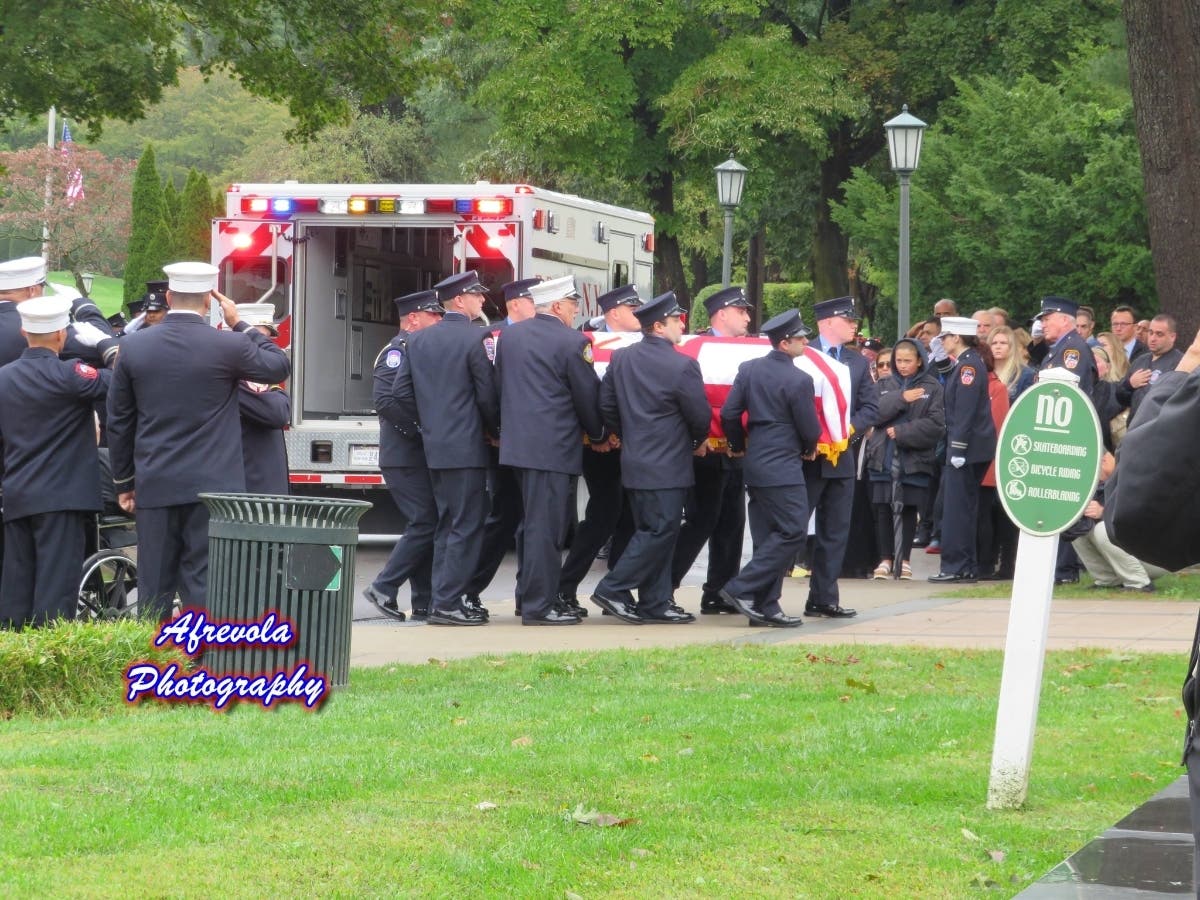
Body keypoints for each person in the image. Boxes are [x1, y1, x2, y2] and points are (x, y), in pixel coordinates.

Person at [106, 261, 291, 620]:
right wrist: (239, 322)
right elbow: (277, 366)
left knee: (154, 584)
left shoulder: (133, 346)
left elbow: (120, 420)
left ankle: (154, 660)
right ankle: (202, 662)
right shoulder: (228, 345)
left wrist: (124, 482)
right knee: (205, 581)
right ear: (210, 301)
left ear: (170, 296)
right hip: (215, 485)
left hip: (156, 480)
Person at [591, 291, 709, 624]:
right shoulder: (682, 364)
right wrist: (697, 440)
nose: (681, 325)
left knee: (657, 530)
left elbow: (607, 407)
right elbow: (698, 415)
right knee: (660, 530)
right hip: (668, 462)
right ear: (658, 325)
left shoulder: (621, 359)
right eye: (675, 320)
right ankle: (613, 588)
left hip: (635, 458)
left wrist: (629, 434)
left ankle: (655, 601)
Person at [494, 275, 606, 625]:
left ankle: (527, 597)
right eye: (573, 305)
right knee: (547, 529)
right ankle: (539, 607)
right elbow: (586, 396)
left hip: (517, 445)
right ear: (557, 306)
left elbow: (499, 384)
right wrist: (599, 433)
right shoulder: (573, 342)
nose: (575, 311)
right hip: (553, 448)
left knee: (531, 526)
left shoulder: (509, 335)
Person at [393, 271, 499, 627]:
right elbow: (486, 394)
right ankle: (449, 603)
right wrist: (494, 428)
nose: (482, 300)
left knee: (446, 524)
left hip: (435, 446)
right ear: (458, 300)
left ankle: (441, 598)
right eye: (476, 295)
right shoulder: (476, 337)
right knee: (467, 525)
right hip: (466, 446)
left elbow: (399, 393)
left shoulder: (417, 339)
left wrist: (427, 425)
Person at [0, 295, 113, 628]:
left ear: (24, 332)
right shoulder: (71, 376)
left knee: (16, 588)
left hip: (18, 494)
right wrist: (108, 345)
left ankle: (14, 660)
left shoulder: (3, 378)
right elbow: (121, 377)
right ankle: (49, 667)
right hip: (62, 498)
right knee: (55, 591)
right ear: (62, 335)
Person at [718, 309, 820, 627]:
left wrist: (738, 445)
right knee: (792, 531)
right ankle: (741, 588)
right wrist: (808, 449)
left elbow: (730, 414)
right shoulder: (799, 379)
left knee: (767, 538)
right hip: (783, 466)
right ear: (784, 343)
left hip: (756, 462)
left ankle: (764, 606)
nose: (805, 341)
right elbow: (810, 429)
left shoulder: (749, 370)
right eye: (800, 338)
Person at [556, 283, 643, 609]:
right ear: (614, 312)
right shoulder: (587, 343)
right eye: (632, 309)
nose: (638, 314)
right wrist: (603, 434)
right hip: (599, 446)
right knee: (603, 515)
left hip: (629, 443)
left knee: (631, 516)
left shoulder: (641, 342)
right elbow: (588, 393)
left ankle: (616, 586)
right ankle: (565, 586)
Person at [364, 290, 445, 622]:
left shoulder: (419, 349)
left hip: (416, 455)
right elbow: (385, 399)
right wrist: (420, 429)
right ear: (414, 318)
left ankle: (423, 601)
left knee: (427, 521)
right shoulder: (397, 351)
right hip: (403, 455)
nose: (439, 321)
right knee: (426, 521)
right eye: (433, 315)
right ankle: (384, 586)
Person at [671, 285, 752, 615]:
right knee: (702, 520)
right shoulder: (695, 349)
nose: (748, 316)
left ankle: (719, 591)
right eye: (741, 311)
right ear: (722, 314)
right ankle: (664, 584)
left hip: (736, 449)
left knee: (733, 522)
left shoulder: (750, 349)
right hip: (706, 451)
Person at [464, 278, 542, 614]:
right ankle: (469, 588)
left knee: (534, 520)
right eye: (532, 300)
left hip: (537, 441)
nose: (538, 307)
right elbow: (484, 389)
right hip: (502, 442)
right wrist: (495, 430)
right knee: (504, 517)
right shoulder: (492, 337)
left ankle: (528, 595)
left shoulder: (542, 335)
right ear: (515, 303)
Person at [802, 296, 878, 617]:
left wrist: (847, 431)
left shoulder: (856, 362)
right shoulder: (804, 356)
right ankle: (765, 595)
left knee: (835, 531)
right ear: (827, 322)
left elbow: (870, 407)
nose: (853, 325)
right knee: (791, 528)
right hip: (806, 457)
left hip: (841, 457)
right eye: (847, 320)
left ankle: (824, 597)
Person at [864, 337, 944, 581]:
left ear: (920, 360)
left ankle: (905, 559)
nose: (902, 365)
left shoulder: (932, 387)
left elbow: (936, 425)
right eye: (898, 361)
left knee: (908, 508)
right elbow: (873, 414)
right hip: (883, 456)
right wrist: (901, 398)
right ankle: (885, 559)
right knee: (882, 508)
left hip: (914, 459)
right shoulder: (883, 384)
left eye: (908, 360)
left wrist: (903, 432)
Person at [928, 316, 996, 583]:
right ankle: (965, 565)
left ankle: (955, 566)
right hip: (972, 448)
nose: (942, 341)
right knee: (964, 508)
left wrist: (957, 448)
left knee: (957, 509)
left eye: (945, 337)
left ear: (957, 338)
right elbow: (952, 386)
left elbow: (965, 412)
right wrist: (942, 362)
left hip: (967, 449)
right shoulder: (966, 364)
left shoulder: (969, 367)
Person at [235, 304, 290, 494]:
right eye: (259, 339)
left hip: (267, 493)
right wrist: (279, 394)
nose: (266, 346)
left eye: (266, 339)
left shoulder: (262, 382)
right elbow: (277, 413)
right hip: (244, 495)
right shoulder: (230, 379)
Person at [1117, 313, 1182, 425]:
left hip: (1159, 432)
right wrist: (1130, 385)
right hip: (1133, 428)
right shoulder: (1140, 361)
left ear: (1172, 337)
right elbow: (1120, 397)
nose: (1153, 338)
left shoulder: (1179, 363)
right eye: (1150, 333)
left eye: (1159, 334)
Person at [1037, 296, 1097, 396]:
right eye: (1042, 321)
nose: (1043, 325)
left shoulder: (1074, 349)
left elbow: (1067, 393)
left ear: (1064, 320)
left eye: (1046, 319)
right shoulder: (1064, 346)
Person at [989, 326, 1035, 404]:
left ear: (1011, 346)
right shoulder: (983, 371)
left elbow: (1027, 406)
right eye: (994, 343)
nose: (998, 347)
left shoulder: (1026, 374)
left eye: (1003, 343)